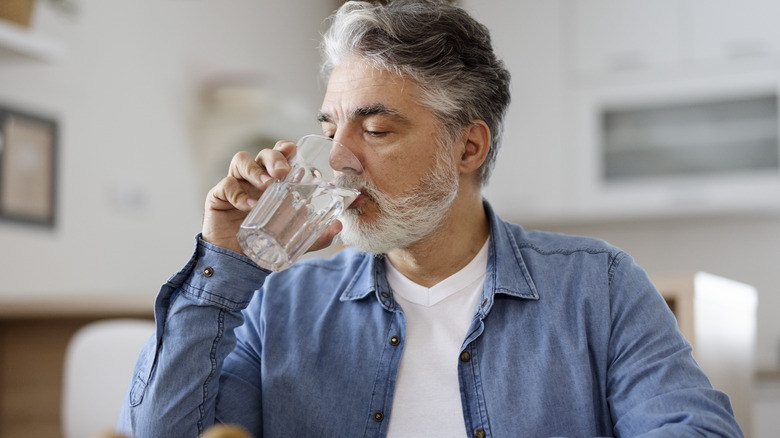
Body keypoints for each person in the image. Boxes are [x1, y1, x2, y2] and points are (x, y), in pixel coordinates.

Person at [118, 1, 743, 437]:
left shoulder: (599, 288)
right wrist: (224, 260)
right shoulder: (279, 303)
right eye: (330, 129)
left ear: (468, 148)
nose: (337, 160)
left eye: (377, 128)